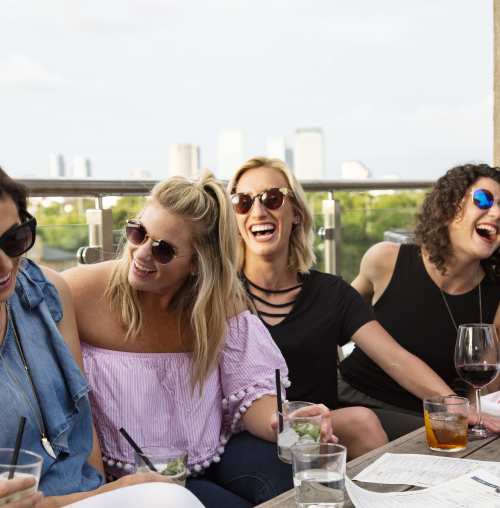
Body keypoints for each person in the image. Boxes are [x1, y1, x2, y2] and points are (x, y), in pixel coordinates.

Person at [63, 172, 325, 508]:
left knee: (294, 481)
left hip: (211, 456)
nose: (142, 253)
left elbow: (253, 391)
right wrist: (96, 489)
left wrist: (281, 421)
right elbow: (67, 402)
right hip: (132, 476)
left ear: (197, 266)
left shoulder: (221, 304)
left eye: (163, 250)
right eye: (138, 233)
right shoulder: (78, 292)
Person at [227, 157, 500, 445]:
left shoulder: (329, 293)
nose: (257, 210)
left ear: (296, 212)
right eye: (242, 202)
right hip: (322, 411)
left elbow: (396, 357)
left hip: (348, 424)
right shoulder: (219, 297)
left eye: (272, 198)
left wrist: (459, 409)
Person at [0, 167, 200, 507]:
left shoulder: (47, 296)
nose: (5, 266)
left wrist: (103, 491)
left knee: (174, 498)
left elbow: (81, 424)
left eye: (13, 241)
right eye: (138, 235)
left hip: (80, 498)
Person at [340, 163, 500, 416]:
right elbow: (335, 320)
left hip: (434, 416)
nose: (496, 212)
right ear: (448, 208)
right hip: (355, 400)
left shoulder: (495, 296)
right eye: (484, 199)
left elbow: (482, 392)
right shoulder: (386, 260)